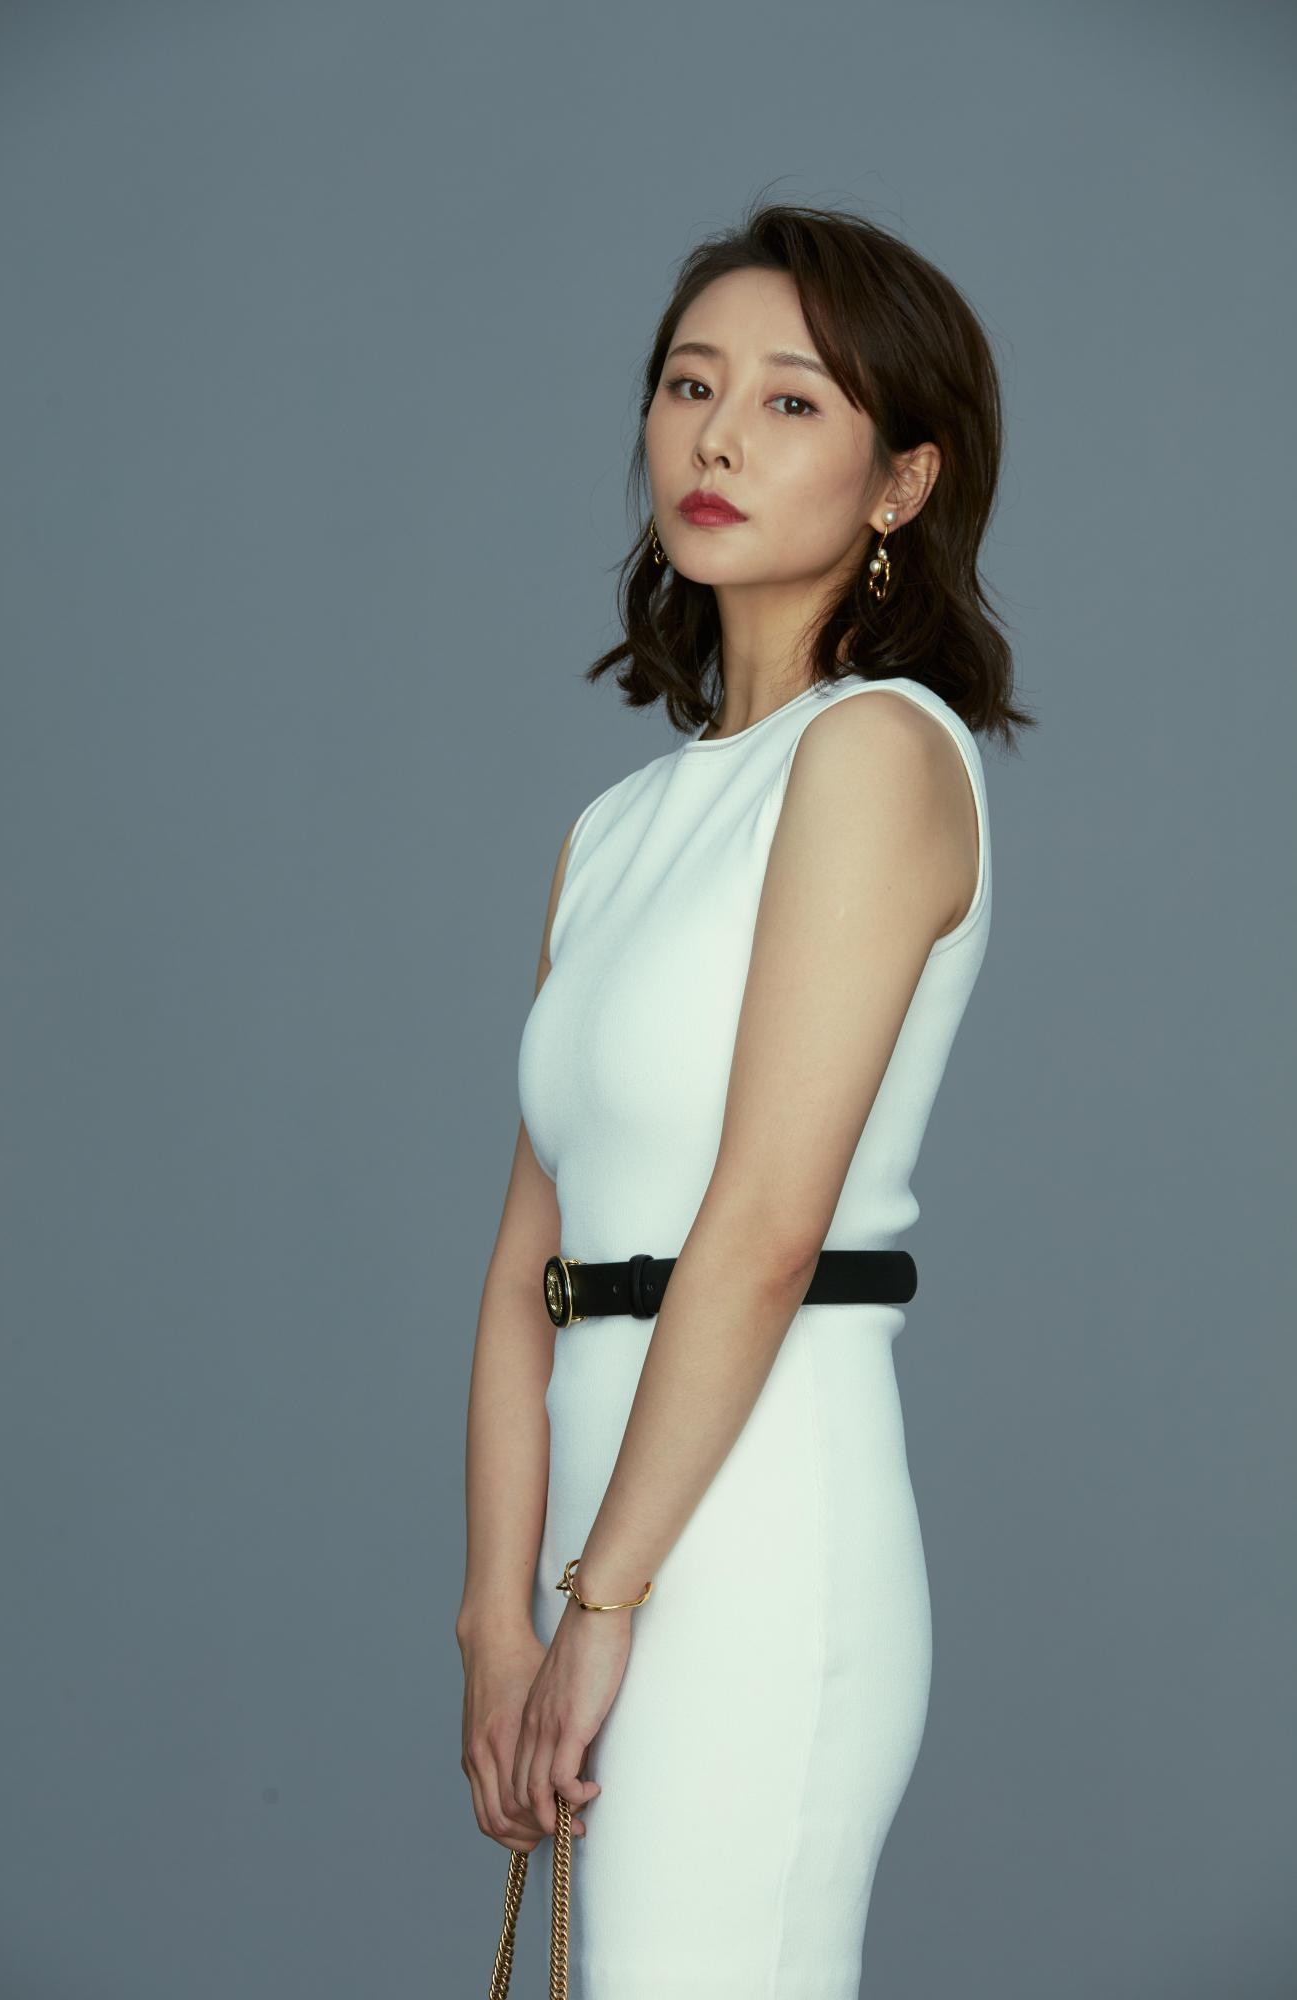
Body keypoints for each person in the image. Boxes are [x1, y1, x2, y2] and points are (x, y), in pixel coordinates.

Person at [456, 197, 1034, 1996]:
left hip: (754, 1522)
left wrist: (603, 1596)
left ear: (900, 481)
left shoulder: (874, 754)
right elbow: (526, 1268)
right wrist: (496, 1619)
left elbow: (770, 1224)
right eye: (688, 385)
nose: (715, 437)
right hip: (599, 1539)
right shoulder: (615, 829)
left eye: (791, 401)